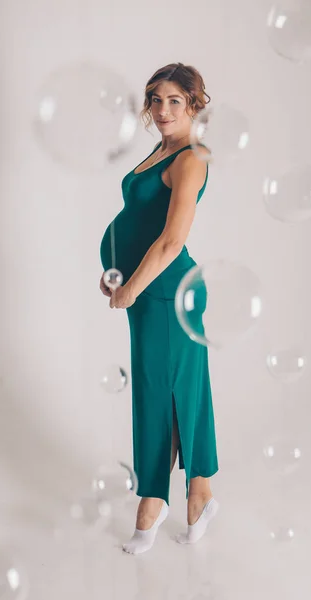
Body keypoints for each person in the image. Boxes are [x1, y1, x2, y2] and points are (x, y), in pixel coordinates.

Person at [99, 63, 219, 555]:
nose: (163, 110)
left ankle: (153, 499)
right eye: (156, 100)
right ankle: (200, 491)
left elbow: (171, 240)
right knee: (182, 388)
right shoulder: (162, 147)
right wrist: (114, 269)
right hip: (144, 289)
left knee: (159, 393)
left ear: (194, 104)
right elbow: (137, 219)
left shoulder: (192, 156)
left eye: (175, 101)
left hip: (168, 292)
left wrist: (131, 289)